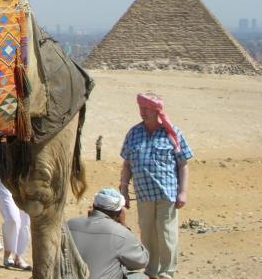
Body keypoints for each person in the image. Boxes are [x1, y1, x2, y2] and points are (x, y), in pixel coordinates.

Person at [119, 93, 193, 279]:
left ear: (157, 110)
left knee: (166, 233)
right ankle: (151, 270)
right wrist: (123, 190)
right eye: (141, 108)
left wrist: (183, 192)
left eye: (147, 109)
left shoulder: (172, 134)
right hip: (144, 194)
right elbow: (127, 164)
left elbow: (183, 164)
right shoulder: (134, 133)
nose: (142, 112)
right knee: (147, 234)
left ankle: (167, 271)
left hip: (166, 194)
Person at [68, 187, 149, 279]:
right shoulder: (120, 233)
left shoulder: (70, 224)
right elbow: (141, 261)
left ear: (94, 206)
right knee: (141, 277)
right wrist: (124, 226)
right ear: (119, 214)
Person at [0, 175, 31, 271]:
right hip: (4, 179)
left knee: (25, 221)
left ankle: (19, 257)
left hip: (25, 180)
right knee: (13, 219)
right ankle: (8, 253)